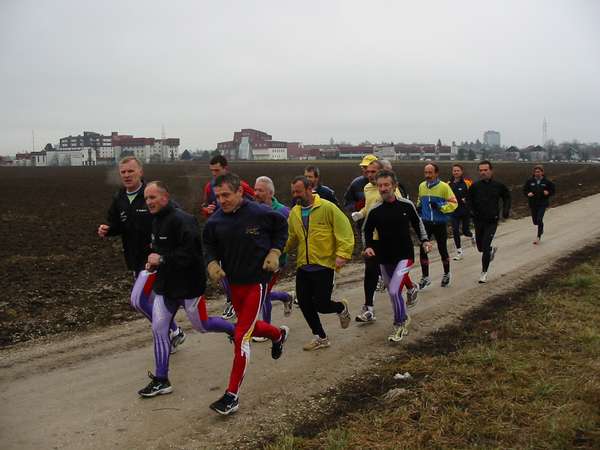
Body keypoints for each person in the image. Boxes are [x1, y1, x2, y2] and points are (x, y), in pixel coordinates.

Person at [203, 173, 289, 416]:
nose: (222, 200)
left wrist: (274, 251)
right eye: (218, 196)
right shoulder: (215, 221)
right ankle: (278, 334)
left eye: (226, 195)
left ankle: (232, 396)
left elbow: (282, 228)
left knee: (241, 336)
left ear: (240, 192)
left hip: (256, 282)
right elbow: (208, 245)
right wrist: (211, 262)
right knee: (248, 326)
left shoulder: (260, 213)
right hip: (233, 285)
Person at [137, 181, 234, 397]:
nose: (148, 202)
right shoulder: (156, 220)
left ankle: (234, 331)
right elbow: (160, 250)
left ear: (165, 197)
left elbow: (191, 255)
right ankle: (161, 379)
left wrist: (161, 259)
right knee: (159, 328)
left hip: (189, 286)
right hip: (166, 286)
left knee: (202, 325)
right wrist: (153, 263)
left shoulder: (184, 220)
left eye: (152, 197)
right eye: (146, 198)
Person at [97, 156, 184, 352]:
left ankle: (168, 333)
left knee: (141, 301)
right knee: (148, 301)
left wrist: (168, 244)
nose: (127, 175)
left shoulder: (150, 194)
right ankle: (174, 331)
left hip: (156, 258)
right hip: (134, 258)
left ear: (140, 172)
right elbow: (116, 224)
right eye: (123, 172)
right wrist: (107, 230)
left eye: (131, 171)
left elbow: (176, 215)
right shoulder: (119, 197)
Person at [285, 176, 354, 351]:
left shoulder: (327, 208)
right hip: (303, 265)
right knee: (304, 303)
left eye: (298, 192)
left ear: (309, 189)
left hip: (324, 265)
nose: (295, 195)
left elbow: (344, 230)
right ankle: (321, 337)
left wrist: (343, 254)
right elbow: (291, 237)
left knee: (322, 305)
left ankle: (340, 307)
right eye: (293, 192)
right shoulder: (295, 213)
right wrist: (278, 250)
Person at [363, 170, 430, 342]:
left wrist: (424, 240)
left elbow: (417, 223)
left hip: (405, 255)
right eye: (380, 186)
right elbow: (366, 230)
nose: (383, 189)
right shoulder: (375, 210)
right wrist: (368, 246)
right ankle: (403, 317)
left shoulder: (406, 205)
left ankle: (399, 324)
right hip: (384, 257)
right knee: (394, 294)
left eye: (386, 185)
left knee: (393, 290)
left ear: (394, 186)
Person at [351, 160, 418, 322]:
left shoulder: (392, 190)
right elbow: (369, 208)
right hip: (374, 240)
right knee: (371, 272)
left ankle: (409, 290)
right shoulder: (367, 188)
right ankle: (369, 309)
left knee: (392, 276)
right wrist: (360, 213)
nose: (369, 175)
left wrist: (421, 239)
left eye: (373, 172)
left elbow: (400, 210)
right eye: (367, 171)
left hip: (392, 241)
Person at [200, 154, 255, 320]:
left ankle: (240, 300)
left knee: (237, 268)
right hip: (219, 232)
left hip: (240, 233)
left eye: (217, 170)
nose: (214, 174)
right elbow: (205, 206)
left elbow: (255, 204)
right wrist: (207, 211)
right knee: (222, 267)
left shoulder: (240, 186)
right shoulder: (209, 187)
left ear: (225, 168)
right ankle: (232, 300)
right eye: (212, 171)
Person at [252, 176, 295, 340]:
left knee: (263, 295)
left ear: (271, 193)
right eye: (255, 189)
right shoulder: (252, 209)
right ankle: (286, 297)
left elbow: (290, 237)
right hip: (257, 260)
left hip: (275, 261)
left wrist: (278, 254)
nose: (256, 193)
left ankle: (266, 330)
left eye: (260, 190)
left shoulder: (283, 212)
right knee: (263, 293)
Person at [468, 161, 511, 283]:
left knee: (485, 246)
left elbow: (507, 197)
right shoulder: (475, 186)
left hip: (492, 220)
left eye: (485, 170)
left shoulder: (498, 186)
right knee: (480, 247)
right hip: (478, 220)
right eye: (481, 170)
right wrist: (470, 211)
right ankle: (490, 250)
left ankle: (484, 272)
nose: (483, 172)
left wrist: (506, 210)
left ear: (491, 171)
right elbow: (469, 200)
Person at [416, 163, 457, 289]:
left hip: (439, 223)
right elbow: (420, 200)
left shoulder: (444, 186)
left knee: (442, 249)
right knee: (423, 249)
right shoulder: (422, 186)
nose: (427, 175)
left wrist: (440, 206)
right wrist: (418, 208)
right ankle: (425, 277)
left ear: (436, 173)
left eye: (430, 173)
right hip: (426, 223)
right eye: (426, 172)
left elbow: (454, 203)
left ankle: (446, 274)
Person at [447, 164, 474, 260]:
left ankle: (472, 235)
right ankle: (459, 252)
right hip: (454, 211)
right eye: (454, 171)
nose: (456, 172)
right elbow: (445, 195)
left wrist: (467, 200)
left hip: (465, 211)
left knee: (465, 231)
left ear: (461, 172)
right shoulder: (448, 184)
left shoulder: (467, 183)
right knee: (455, 231)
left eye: (457, 170)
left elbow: (473, 194)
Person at [523, 165, 555, 245]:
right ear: (534, 173)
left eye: (538, 172)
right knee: (535, 222)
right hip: (533, 203)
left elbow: (553, 190)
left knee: (539, 219)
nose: (537, 173)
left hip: (542, 203)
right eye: (536, 172)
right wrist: (528, 193)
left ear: (542, 172)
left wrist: (548, 193)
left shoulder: (547, 182)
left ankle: (538, 236)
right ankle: (541, 227)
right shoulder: (530, 181)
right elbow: (524, 190)